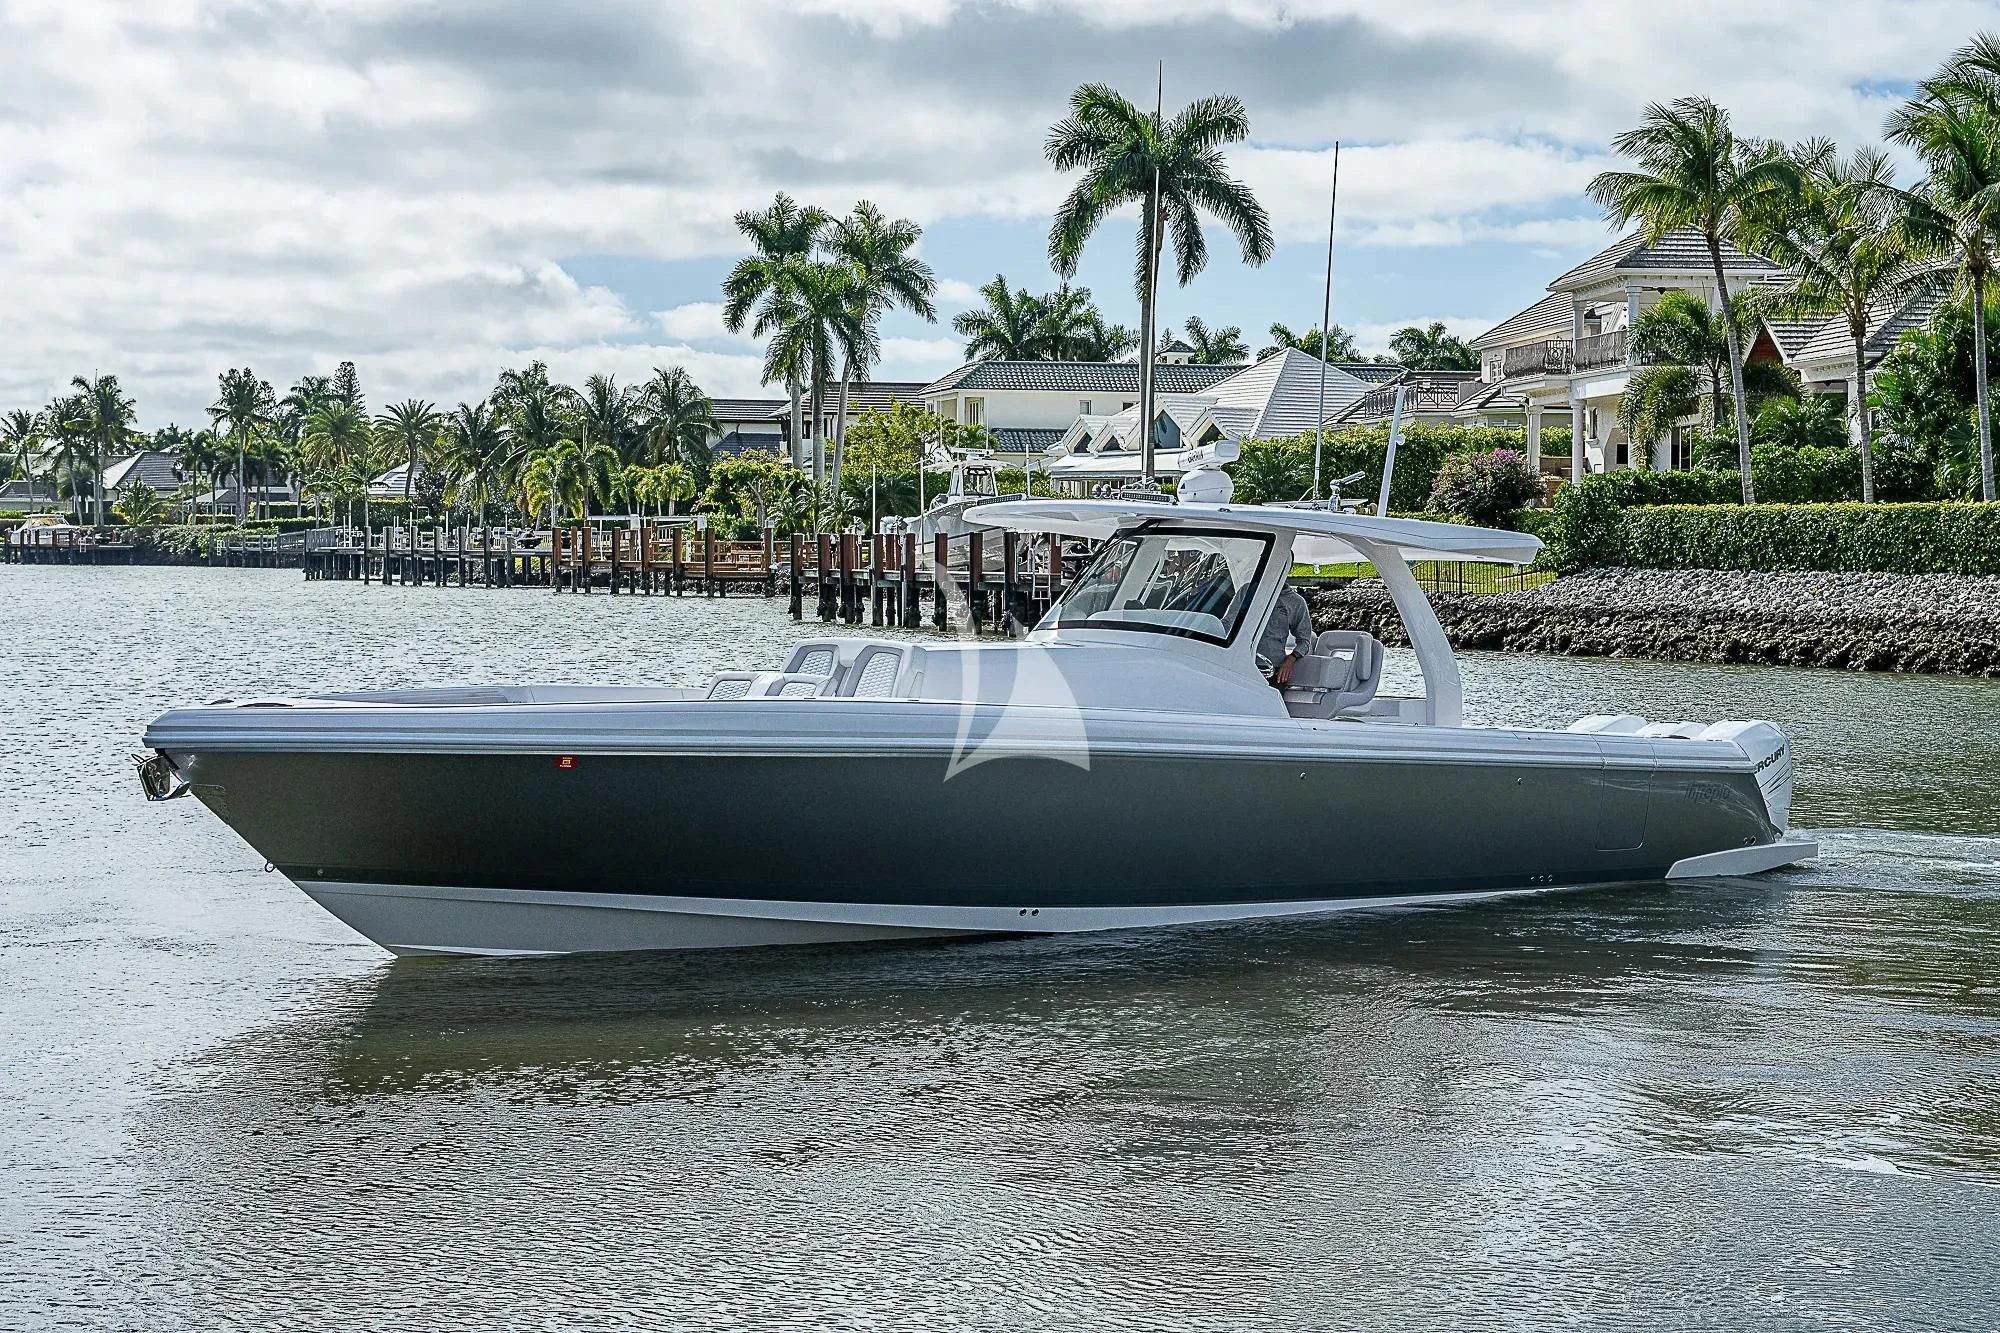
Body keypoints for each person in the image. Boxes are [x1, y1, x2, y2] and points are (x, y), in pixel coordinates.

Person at [1256, 585, 1315, 685]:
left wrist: (1291, 659)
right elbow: (1227, 623)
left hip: (1273, 671)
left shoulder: (1296, 602)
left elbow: (1305, 641)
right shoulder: (1247, 591)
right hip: (1241, 663)